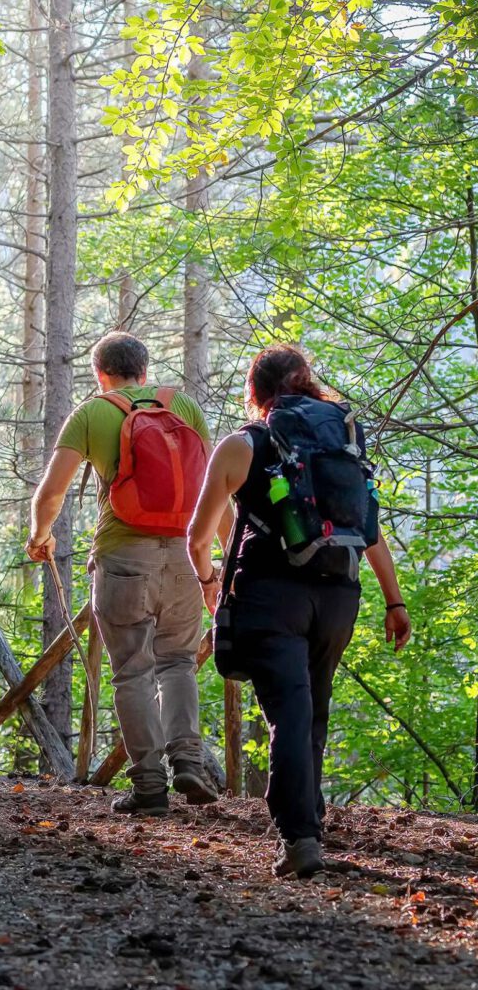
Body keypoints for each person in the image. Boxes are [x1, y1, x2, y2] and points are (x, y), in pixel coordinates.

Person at [187, 344, 412, 878]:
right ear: (307, 385)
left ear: (257, 392)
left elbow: (197, 536)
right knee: (313, 709)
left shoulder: (243, 445)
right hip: (339, 595)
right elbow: (370, 532)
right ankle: (307, 820)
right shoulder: (344, 444)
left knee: (289, 712)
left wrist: (209, 581)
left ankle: (301, 839)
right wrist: (395, 601)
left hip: (270, 597)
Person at [26, 331, 229, 816]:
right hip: (185, 556)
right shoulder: (184, 407)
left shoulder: (94, 413)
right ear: (144, 367)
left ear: (101, 374)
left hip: (122, 558)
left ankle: (150, 786)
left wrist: (40, 535)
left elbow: (51, 492)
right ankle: (188, 762)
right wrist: (223, 562)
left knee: (132, 671)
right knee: (178, 663)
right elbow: (212, 492)